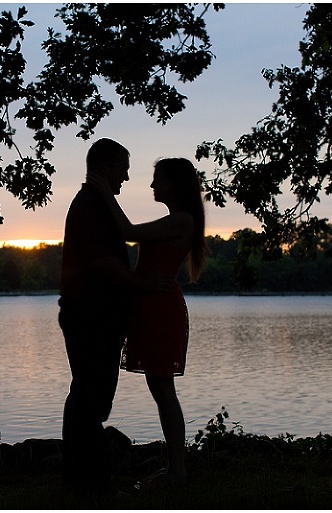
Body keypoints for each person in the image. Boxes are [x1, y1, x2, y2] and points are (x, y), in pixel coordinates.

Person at [59, 138, 174, 499]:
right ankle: (93, 485)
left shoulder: (95, 203)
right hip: (90, 316)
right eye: (123, 167)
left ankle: (81, 479)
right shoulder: (91, 205)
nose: (126, 176)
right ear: (106, 167)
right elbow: (102, 263)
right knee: (91, 398)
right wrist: (142, 285)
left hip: (93, 314)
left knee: (86, 396)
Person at [90, 157, 208, 489]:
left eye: (159, 180)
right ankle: (175, 469)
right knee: (160, 389)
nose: (153, 186)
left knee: (164, 390)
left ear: (176, 184)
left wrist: (105, 192)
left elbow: (127, 232)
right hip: (150, 306)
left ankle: (177, 472)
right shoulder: (176, 220)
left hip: (161, 309)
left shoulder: (182, 221)